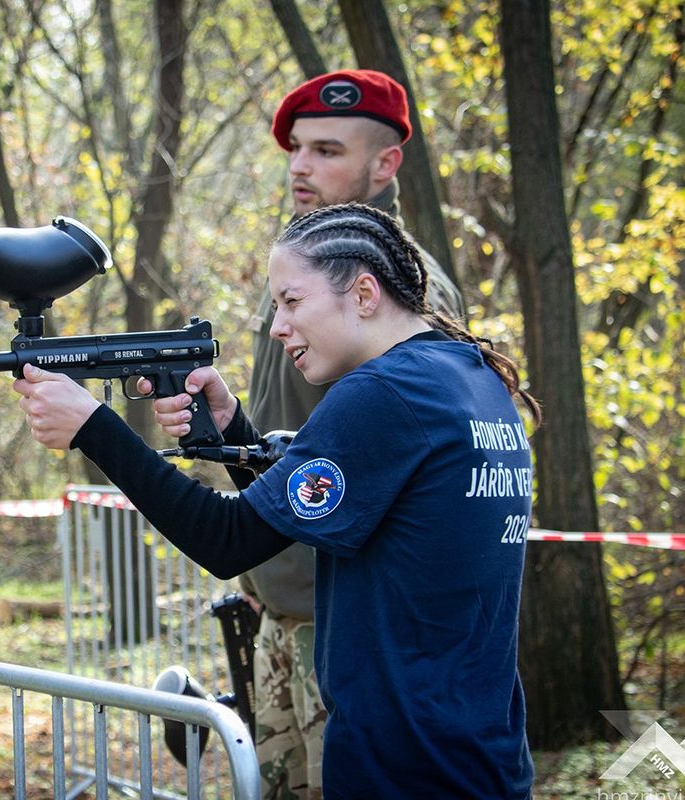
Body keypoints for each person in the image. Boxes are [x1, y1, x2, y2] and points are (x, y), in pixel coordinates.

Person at [13, 203, 538, 797]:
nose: (277, 326)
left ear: (363, 293)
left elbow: (229, 539)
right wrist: (234, 433)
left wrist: (94, 427)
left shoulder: (383, 394)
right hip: (478, 752)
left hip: (406, 765)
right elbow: (317, 506)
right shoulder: (464, 376)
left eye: (292, 302)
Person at [238, 68, 466, 798]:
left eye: (328, 150)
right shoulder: (299, 272)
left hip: (352, 629)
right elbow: (292, 443)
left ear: (385, 164)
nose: (301, 167)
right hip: (281, 611)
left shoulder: (403, 293)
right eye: (297, 149)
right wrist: (259, 577)